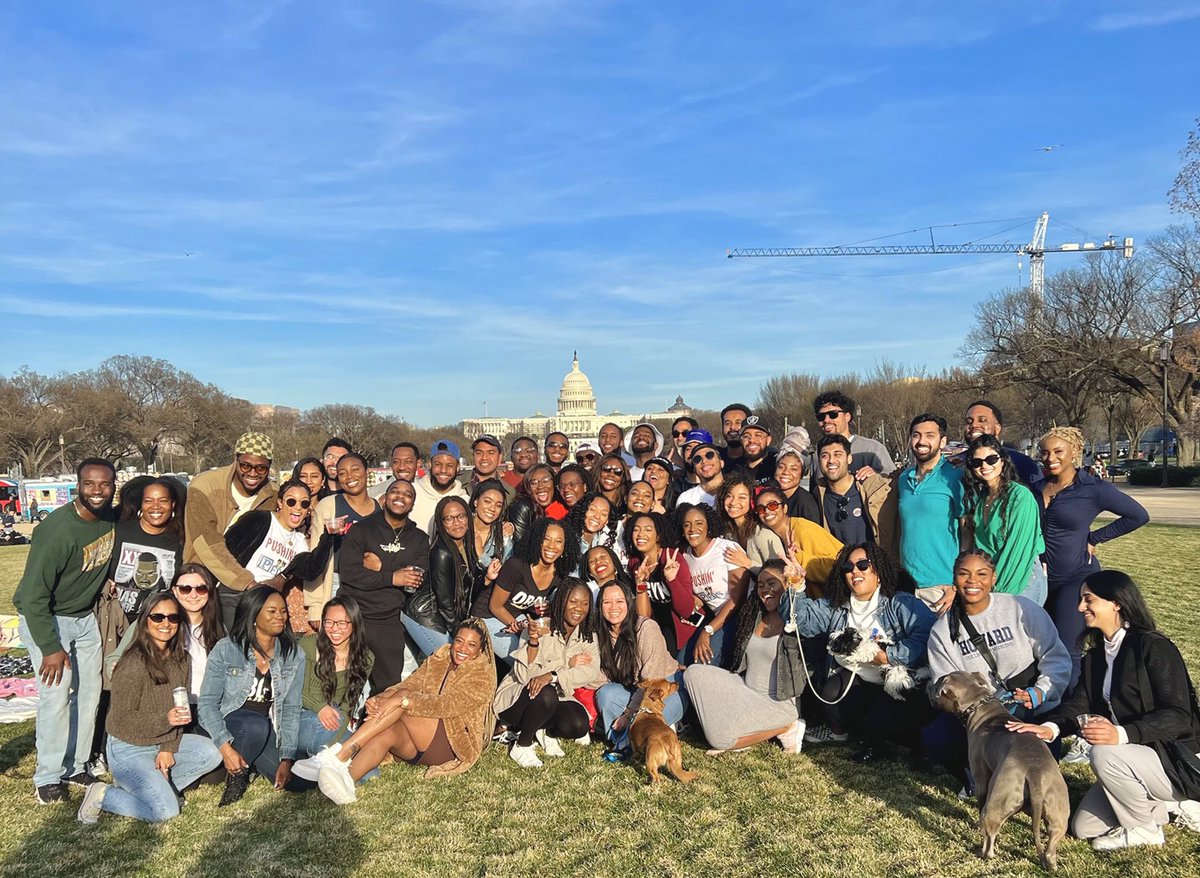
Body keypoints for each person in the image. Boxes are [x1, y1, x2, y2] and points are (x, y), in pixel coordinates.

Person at [1007, 570, 1200, 851]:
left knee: (1104, 752)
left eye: (1088, 600)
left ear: (1116, 603)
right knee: (1084, 827)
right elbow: (1079, 705)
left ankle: (1146, 830)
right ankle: (1163, 806)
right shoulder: (1096, 657)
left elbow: (1180, 715)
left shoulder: (1154, 647)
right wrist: (1050, 728)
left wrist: (1121, 734)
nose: (1080, 607)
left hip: (1178, 759)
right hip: (1137, 758)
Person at [293, 619, 498, 803]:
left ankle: (341, 754)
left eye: (471, 645)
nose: (463, 648)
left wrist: (402, 700)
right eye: (459, 641)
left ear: (480, 650)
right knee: (387, 733)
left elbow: (446, 705)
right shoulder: (441, 658)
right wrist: (381, 698)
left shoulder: (482, 674)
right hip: (419, 741)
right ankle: (346, 779)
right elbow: (410, 683)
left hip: (451, 741)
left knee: (403, 699)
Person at [14, 457, 116, 803]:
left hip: (84, 618)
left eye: (105, 484)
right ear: (78, 486)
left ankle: (75, 765)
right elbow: (32, 597)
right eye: (90, 484)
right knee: (56, 698)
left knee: (89, 694)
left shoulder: (109, 521)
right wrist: (50, 647)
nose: (98, 491)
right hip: (47, 619)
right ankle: (48, 776)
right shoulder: (55, 531)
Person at [924, 549, 1071, 788]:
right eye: (964, 574)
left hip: (1031, 706)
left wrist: (1041, 692)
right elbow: (945, 687)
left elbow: (1055, 657)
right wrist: (980, 709)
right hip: (982, 716)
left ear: (994, 578)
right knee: (936, 738)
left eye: (982, 574)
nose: (973, 581)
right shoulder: (942, 631)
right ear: (954, 579)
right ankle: (975, 774)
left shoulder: (1020, 608)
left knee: (1037, 776)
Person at [76, 594, 221, 825]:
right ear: (145, 621)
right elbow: (120, 720)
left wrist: (167, 748)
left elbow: (178, 711)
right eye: (158, 617)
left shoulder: (180, 659)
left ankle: (151, 787)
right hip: (128, 746)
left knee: (212, 752)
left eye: (173, 618)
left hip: (161, 738)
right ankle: (104, 794)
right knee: (166, 812)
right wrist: (166, 721)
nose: (166, 624)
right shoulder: (132, 663)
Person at [784, 543, 936, 762]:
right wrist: (796, 586)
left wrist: (889, 656)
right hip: (857, 677)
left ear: (879, 570)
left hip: (896, 678)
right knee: (830, 698)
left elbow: (927, 635)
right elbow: (801, 623)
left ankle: (895, 738)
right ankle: (865, 732)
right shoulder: (836, 605)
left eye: (863, 565)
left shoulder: (901, 602)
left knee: (883, 717)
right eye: (848, 567)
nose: (855, 571)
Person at [1037, 426, 1148, 687]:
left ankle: (1067, 711)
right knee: (1039, 647)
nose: (1050, 457)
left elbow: (1138, 516)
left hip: (1075, 577)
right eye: (1044, 452)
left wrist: (1095, 538)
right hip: (1038, 581)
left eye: (1058, 451)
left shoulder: (1093, 488)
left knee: (1067, 648)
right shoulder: (1035, 487)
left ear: (1074, 452)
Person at [197, 587, 310, 806]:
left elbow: (290, 708)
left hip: (261, 729)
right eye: (272, 611)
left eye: (283, 610)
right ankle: (237, 778)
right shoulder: (227, 648)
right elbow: (207, 704)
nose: (281, 616)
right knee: (255, 725)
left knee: (299, 780)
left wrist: (287, 758)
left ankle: (251, 758)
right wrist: (225, 748)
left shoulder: (294, 655)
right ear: (254, 615)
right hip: (225, 723)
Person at [683, 560, 804, 755]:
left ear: (787, 584)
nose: (765, 590)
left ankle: (787, 726)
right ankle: (748, 729)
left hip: (777, 703)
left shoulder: (797, 620)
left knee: (719, 739)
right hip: (746, 691)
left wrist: (798, 587)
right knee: (693, 673)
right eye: (761, 585)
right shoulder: (754, 615)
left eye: (772, 583)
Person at [495, 579, 600, 767]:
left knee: (578, 724)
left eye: (585, 604)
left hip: (555, 696)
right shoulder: (539, 627)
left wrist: (555, 675)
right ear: (561, 601)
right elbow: (524, 676)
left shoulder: (588, 635)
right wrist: (534, 642)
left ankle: (542, 730)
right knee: (546, 692)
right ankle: (523, 744)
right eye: (573, 602)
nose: (579, 608)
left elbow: (590, 672)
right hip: (518, 698)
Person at [337, 479, 430, 691]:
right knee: (343, 686)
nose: (400, 496)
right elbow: (350, 573)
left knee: (387, 690)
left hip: (387, 620)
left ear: (412, 504)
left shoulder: (419, 539)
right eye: (394, 491)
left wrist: (380, 567)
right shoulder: (361, 530)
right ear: (385, 498)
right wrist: (392, 577)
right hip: (353, 615)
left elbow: (415, 579)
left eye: (407, 494)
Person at [183, 432, 279, 626]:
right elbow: (206, 541)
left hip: (244, 589)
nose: (253, 473)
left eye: (261, 468)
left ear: (269, 466)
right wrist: (245, 581)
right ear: (235, 460)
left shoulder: (273, 494)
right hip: (203, 579)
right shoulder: (204, 485)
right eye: (246, 465)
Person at [221, 480, 335, 630]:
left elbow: (310, 569)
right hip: (237, 593)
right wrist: (247, 582)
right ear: (280, 503)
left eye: (304, 504)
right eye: (291, 501)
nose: (297, 508)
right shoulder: (258, 519)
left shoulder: (298, 540)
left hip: (267, 600)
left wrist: (328, 536)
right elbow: (225, 550)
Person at [589, 581, 687, 749]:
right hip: (636, 690)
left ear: (629, 602)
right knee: (606, 694)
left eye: (619, 601)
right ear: (600, 606)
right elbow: (599, 677)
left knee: (647, 716)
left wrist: (628, 715)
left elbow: (652, 681)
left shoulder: (646, 628)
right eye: (607, 602)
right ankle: (622, 740)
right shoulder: (600, 635)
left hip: (662, 691)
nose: (613, 607)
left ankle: (625, 744)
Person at [472, 517, 579, 661]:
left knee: (546, 654)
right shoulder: (517, 566)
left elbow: (530, 605)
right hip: (487, 615)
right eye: (546, 539)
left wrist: (539, 610)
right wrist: (521, 628)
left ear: (565, 547)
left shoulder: (559, 574)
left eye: (558, 541)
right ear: (536, 540)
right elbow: (495, 606)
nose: (551, 546)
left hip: (517, 618)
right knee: (523, 659)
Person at [961, 435, 1047, 603]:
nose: (984, 466)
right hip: (990, 581)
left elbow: (1019, 551)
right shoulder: (980, 498)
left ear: (1002, 461)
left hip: (1021, 579)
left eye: (991, 459)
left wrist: (998, 595)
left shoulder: (1020, 496)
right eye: (977, 462)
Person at [307, 452, 379, 625]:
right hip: (335, 583)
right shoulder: (328, 506)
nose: (349, 477)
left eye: (355, 470)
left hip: (371, 586)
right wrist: (315, 607)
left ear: (366, 472)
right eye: (342, 473)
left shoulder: (380, 509)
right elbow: (315, 557)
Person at [297, 596, 374, 760]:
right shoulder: (308, 646)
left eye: (342, 623)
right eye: (328, 622)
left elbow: (347, 707)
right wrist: (320, 707)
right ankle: (320, 758)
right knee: (324, 729)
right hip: (302, 715)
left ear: (354, 624)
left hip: (334, 720)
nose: (334, 628)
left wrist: (339, 741)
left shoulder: (366, 658)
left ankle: (322, 759)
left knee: (364, 763)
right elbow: (294, 690)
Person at [402, 496, 479, 658]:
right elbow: (445, 602)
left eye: (461, 516)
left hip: (442, 615)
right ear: (441, 522)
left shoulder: (467, 545)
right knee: (448, 662)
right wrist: (460, 633)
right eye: (449, 519)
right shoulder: (441, 552)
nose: (457, 523)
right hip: (425, 615)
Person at [896, 414, 963, 591]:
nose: (921, 441)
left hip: (942, 584)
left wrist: (958, 584)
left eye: (929, 435)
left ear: (942, 441)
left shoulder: (955, 477)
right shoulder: (903, 479)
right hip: (907, 584)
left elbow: (968, 532)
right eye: (916, 435)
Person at [677, 502, 748, 668]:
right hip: (715, 618)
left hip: (738, 614)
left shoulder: (725, 548)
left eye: (699, 523)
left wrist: (707, 630)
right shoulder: (685, 556)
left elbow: (738, 598)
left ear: (709, 525)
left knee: (701, 663)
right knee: (680, 662)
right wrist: (695, 597)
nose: (692, 529)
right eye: (687, 525)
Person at [812, 434, 898, 557]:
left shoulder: (874, 489)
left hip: (876, 569)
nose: (831, 460)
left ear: (849, 459)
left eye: (838, 454)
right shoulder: (818, 495)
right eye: (825, 456)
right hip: (843, 571)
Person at [624, 512, 695, 658]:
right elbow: (644, 615)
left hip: (680, 626)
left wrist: (672, 580)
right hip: (655, 625)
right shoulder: (634, 564)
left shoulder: (672, 559)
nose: (640, 534)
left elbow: (686, 610)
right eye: (636, 529)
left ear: (658, 536)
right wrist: (641, 583)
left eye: (648, 529)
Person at [743, 485, 844, 587]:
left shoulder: (802, 529)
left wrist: (799, 558)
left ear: (785, 508)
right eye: (761, 509)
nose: (767, 511)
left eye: (772, 505)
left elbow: (836, 564)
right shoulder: (780, 536)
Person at [813, 390, 896, 477]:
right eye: (821, 416)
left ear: (847, 416)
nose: (826, 420)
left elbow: (895, 480)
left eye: (833, 414)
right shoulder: (818, 456)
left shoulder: (872, 449)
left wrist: (878, 475)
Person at [963, 399, 1041, 488]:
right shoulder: (955, 463)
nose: (974, 425)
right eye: (969, 422)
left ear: (997, 428)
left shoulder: (1022, 463)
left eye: (982, 420)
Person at [410, 439, 468, 538]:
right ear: (429, 464)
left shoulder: (465, 501)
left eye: (450, 465)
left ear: (458, 467)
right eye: (438, 464)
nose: (443, 470)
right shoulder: (411, 493)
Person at [507, 463, 569, 549]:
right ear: (527, 488)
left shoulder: (562, 506)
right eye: (533, 483)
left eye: (546, 480)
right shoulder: (523, 507)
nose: (540, 486)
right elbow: (520, 547)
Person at [470, 479, 514, 575]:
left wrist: (481, 554)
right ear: (476, 502)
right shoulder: (461, 528)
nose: (492, 508)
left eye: (498, 505)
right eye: (487, 501)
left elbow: (505, 573)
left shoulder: (503, 535)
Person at [773, 437, 821, 524]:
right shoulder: (770, 496)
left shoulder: (806, 504)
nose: (786, 472)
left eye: (794, 469)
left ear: (802, 474)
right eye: (781, 467)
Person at [461, 435, 514, 500]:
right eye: (479, 453)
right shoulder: (456, 482)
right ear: (473, 456)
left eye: (491, 453)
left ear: (500, 457)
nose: (484, 457)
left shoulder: (510, 493)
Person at [677, 439, 724, 508]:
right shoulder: (686, 499)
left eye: (709, 455)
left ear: (721, 463)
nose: (704, 461)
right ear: (694, 469)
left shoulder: (737, 492)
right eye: (697, 459)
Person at [715, 471, 757, 549]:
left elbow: (778, 561)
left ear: (752, 500)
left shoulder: (761, 532)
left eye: (741, 497)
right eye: (729, 496)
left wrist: (747, 561)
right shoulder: (728, 532)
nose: (733, 502)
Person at [568, 492, 617, 558]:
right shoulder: (568, 537)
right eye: (592, 510)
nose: (597, 516)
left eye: (604, 514)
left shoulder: (602, 540)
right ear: (583, 510)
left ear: (606, 521)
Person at [736, 415, 777, 485]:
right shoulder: (736, 471)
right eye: (746, 436)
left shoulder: (777, 465)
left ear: (768, 440)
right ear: (741, 440)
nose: (752, 440)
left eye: (758, 435)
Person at [593, 453, 632, 518]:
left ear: (623, 477)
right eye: (606, 469)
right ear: (599, 471)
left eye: (618, 472)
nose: (611, 474)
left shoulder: (627, 504)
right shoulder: (588, 499)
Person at [717, 403, 752, 470]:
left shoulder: (763, 458)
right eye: (727, 423)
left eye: (738, 422)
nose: (732, 427)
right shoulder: (714, 458)